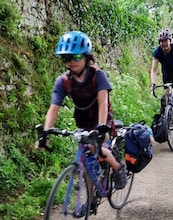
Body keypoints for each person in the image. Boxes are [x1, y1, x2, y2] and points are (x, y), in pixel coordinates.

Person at [35, 31, 127, 215]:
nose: (71, 61)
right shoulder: (63, 82)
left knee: (98, 149)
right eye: (66, 58)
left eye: (76, 56)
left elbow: (103, 102)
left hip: (102, 121)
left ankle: (119, 168)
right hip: (82, 123)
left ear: (86, 56)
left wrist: (101, 127)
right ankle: (91, 201)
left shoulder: (98, 76)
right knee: (86, 164)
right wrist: (45, 132)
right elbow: (54, 108)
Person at [150, 29, 173, 115]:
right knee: (167, 95)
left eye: (166, 40)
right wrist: (153, 83)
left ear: (170, 41)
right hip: (166, 73)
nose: (164, 43)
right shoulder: (157, 52)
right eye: (161, 41)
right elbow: (154, 70)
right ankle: (169, 116)